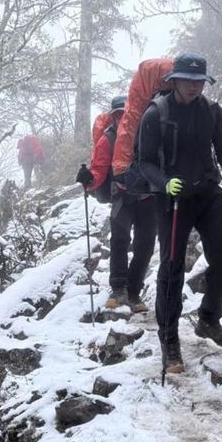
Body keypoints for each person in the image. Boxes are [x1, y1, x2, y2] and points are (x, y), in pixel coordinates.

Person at [136, 52, 222, 374]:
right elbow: (145, 161)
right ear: (174, 81)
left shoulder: (212, 111)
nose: (194, 86)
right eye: (188, 80)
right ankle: (169, 340)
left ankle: (209, 318)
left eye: (199, 81)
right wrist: (165, 183)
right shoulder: (156, 113)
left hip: (208, 193)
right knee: (171, 267)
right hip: (173, 199)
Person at [79, 96, 157, 313]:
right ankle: (118, 288)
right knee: (120, 241)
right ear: (113, 117)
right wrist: (89, 179)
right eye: (118, 115)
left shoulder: (150, 132)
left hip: (149, 197)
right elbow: (99, 169)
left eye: (126, 114)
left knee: (145, 246)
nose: (122, 119)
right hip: (122, 196)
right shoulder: (108, 140)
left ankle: (133, 291)